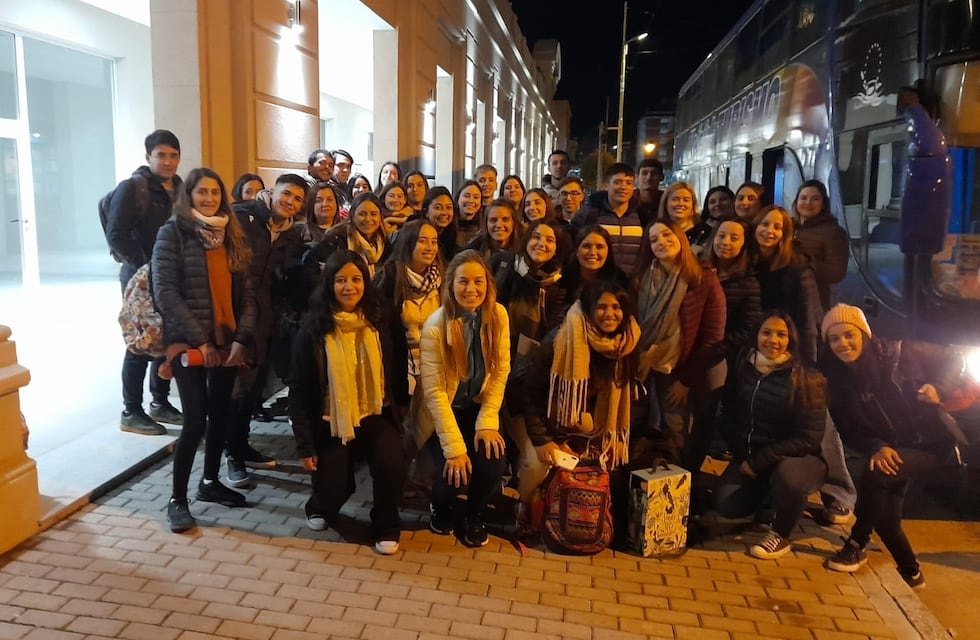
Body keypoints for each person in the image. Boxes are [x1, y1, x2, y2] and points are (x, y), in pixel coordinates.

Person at [820, 304, 963, 588]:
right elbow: (848, 429)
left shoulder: (901, 352)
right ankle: (912, 573)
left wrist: (939, 387)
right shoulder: (837, 381)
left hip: (931, 442)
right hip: (894, 446)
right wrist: (876, 445)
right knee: (886, 519)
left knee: (876, 475)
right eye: (834, 338)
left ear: (864, 334)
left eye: (849, 335)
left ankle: (857, 543)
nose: (843, 344)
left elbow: (954, 357)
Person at [152, 167, 257, 533]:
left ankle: (210, 482)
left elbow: (248, 295)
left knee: (221, 413)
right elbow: (165, 291)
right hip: (188, 343)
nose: (209, 198)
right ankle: (177, 499)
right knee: (195, 419)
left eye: (215, 192)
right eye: (202, 192)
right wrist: (201, 340)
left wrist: (242, 338)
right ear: (189, 196)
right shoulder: (173, 234)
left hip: (227, 343)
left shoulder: (231, 234)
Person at [288, 251, 406, 554]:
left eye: (356, 279)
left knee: (392, 462)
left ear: (366, 282)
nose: (349, 287)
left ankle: (387, 524)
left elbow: (398, 367)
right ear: (330, 284)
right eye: (341, 280)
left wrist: (402, 411)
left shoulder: (381, 319)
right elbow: (299, 388)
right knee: (334, 486)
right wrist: (305, 444)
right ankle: (320, 505)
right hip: (331, 417)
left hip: (374, 411)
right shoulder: (313, 328)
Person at [511, 281, 640, 504]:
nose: (609, 314)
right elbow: (530, 392)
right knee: (538, 463)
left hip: (566, 415)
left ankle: (560, 509)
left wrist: (607, 439)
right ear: (589, 309)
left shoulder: (626, 342)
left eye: (616, 307)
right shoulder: (562, 340)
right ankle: (525, 508)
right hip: (523, 408)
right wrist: (544, 441)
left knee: (597, 457)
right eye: (601, 307)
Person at [416, 250, 510, 547]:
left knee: (493, 462)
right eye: (463, 282)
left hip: (478, 407)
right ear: (451, 284)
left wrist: (488, 421)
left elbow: (501, 370)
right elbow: (434, 394)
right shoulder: (435, 325)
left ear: (488, 284)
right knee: (455, 471)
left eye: (478, 281)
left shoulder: (498, 315)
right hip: (444, 411)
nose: (471, 290)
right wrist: (455, 448)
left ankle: (473, 513)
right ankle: (439, 504)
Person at [715, 311, 828, 559]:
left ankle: (781, 533)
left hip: (798, 460)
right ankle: (770, 500)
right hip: (754, 458)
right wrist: (743, 456)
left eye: (781, 334)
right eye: (766, 333)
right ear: (757, 335)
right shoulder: (744, 368)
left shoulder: (805, 378)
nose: (772, 340)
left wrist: (759, 461)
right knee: (727, 504)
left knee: (788, 479)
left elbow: (808, 438)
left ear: (792, 340)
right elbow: (728, 418)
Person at [226, 173, 308, 484]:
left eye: (298, 199)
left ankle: (242, 446)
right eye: (287, 194)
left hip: (267, 322)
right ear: (272, 192)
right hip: (236, 318)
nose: (290, 202)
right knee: (234, 391)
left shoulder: (291, 236)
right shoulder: (243, 216)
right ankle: (231, 454)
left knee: (252, 390)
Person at [106, 128, 185, 435]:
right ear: (148, 157)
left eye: (173, 155)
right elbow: (116, 234)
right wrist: (145, 266)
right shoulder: (132, 188)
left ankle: (159, 401)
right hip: (139, 278)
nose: (167, 161)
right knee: (140, 341)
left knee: (165, 336)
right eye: (161, 155)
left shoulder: (179, 188)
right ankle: (131, 410)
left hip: (169, 275)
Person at [632, 220, 725, 466]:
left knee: (677, 430)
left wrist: (686, 381)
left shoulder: (703, 278)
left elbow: (713, 337)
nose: (661, 242)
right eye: (654, 239)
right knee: (635, 425)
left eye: (666, 235)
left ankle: (682, 491)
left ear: (680, 239)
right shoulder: (641, 278)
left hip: (677, 370)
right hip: (640, 366)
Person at [689, 219, 762, 473]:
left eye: (734, 238)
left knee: (704, 418)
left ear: (744, 244)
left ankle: (693, 474)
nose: (726, 243)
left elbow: (748, 328)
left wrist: (715, 348)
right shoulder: (698, 269)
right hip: (688, 352)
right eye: (721, 236)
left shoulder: (748, 280)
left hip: (719, 357)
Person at [372, 220, 443, 414]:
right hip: (402, 369)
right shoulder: (389, 277)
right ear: (408, 243)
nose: (430, 247)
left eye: (434, 241)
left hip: (435, 367)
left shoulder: (441, 280)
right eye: (422, 241)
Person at [751, 205, 821, 362]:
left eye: (777, 227)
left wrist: (808, 363)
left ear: (784, 234)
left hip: (788, 346)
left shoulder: (798, 266)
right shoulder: (748, 261)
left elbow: (807, 320)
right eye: (765, 224)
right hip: (756, 345)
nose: (769, 231)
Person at [570, 163, 645, 274]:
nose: (623, 187)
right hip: (599, 282)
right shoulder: (589, 214)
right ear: (606, 185)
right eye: (617, 182)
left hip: (632, 284)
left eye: (628, 183)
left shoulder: (641, 215)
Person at [791, 179, 849, 311]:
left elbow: (836, 273)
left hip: (815, 303)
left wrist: (803, 262)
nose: (808, 203)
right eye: (803, 198)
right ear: (796, 201)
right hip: (786, 298)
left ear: (823, 204)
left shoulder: (834, 232)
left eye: (815, 199)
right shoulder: (787, 226)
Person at [315, 192, 391, 279]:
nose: (368, 219)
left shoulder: (384, 242)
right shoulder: (336, 239)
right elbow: (311, 264)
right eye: (362, 214)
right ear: (352, 216)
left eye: (373, 214)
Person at [558, 224, 628, 315]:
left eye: (599, 247)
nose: (593, 252)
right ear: (576, 251)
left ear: (608, 251)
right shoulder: (561, 278)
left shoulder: (620, 280)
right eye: (587, 246)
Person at [659, 181, 712, 256]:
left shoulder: (706, 232)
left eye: (686, 200)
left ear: (693, 205)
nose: (681, 203)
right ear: (665, 203)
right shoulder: (656, 230)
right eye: (675, 199)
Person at [421, 186, 458, 263]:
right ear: (426, 212)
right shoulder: (417, 235)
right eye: (438, 208)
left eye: (448, 207)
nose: (444, 213)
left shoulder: (452, 235)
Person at [455, 180, 484, 251]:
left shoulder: (483, 230)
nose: (471, 201)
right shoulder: (448, 225)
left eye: (476, 197)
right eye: (466, 196)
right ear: (458, 198)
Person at [636, 158, 664, 224]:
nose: (649, 178)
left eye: (654, 173)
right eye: (644, 173)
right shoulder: (628, 201)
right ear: (637, 177)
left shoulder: (667, 202)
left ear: (661, 177)